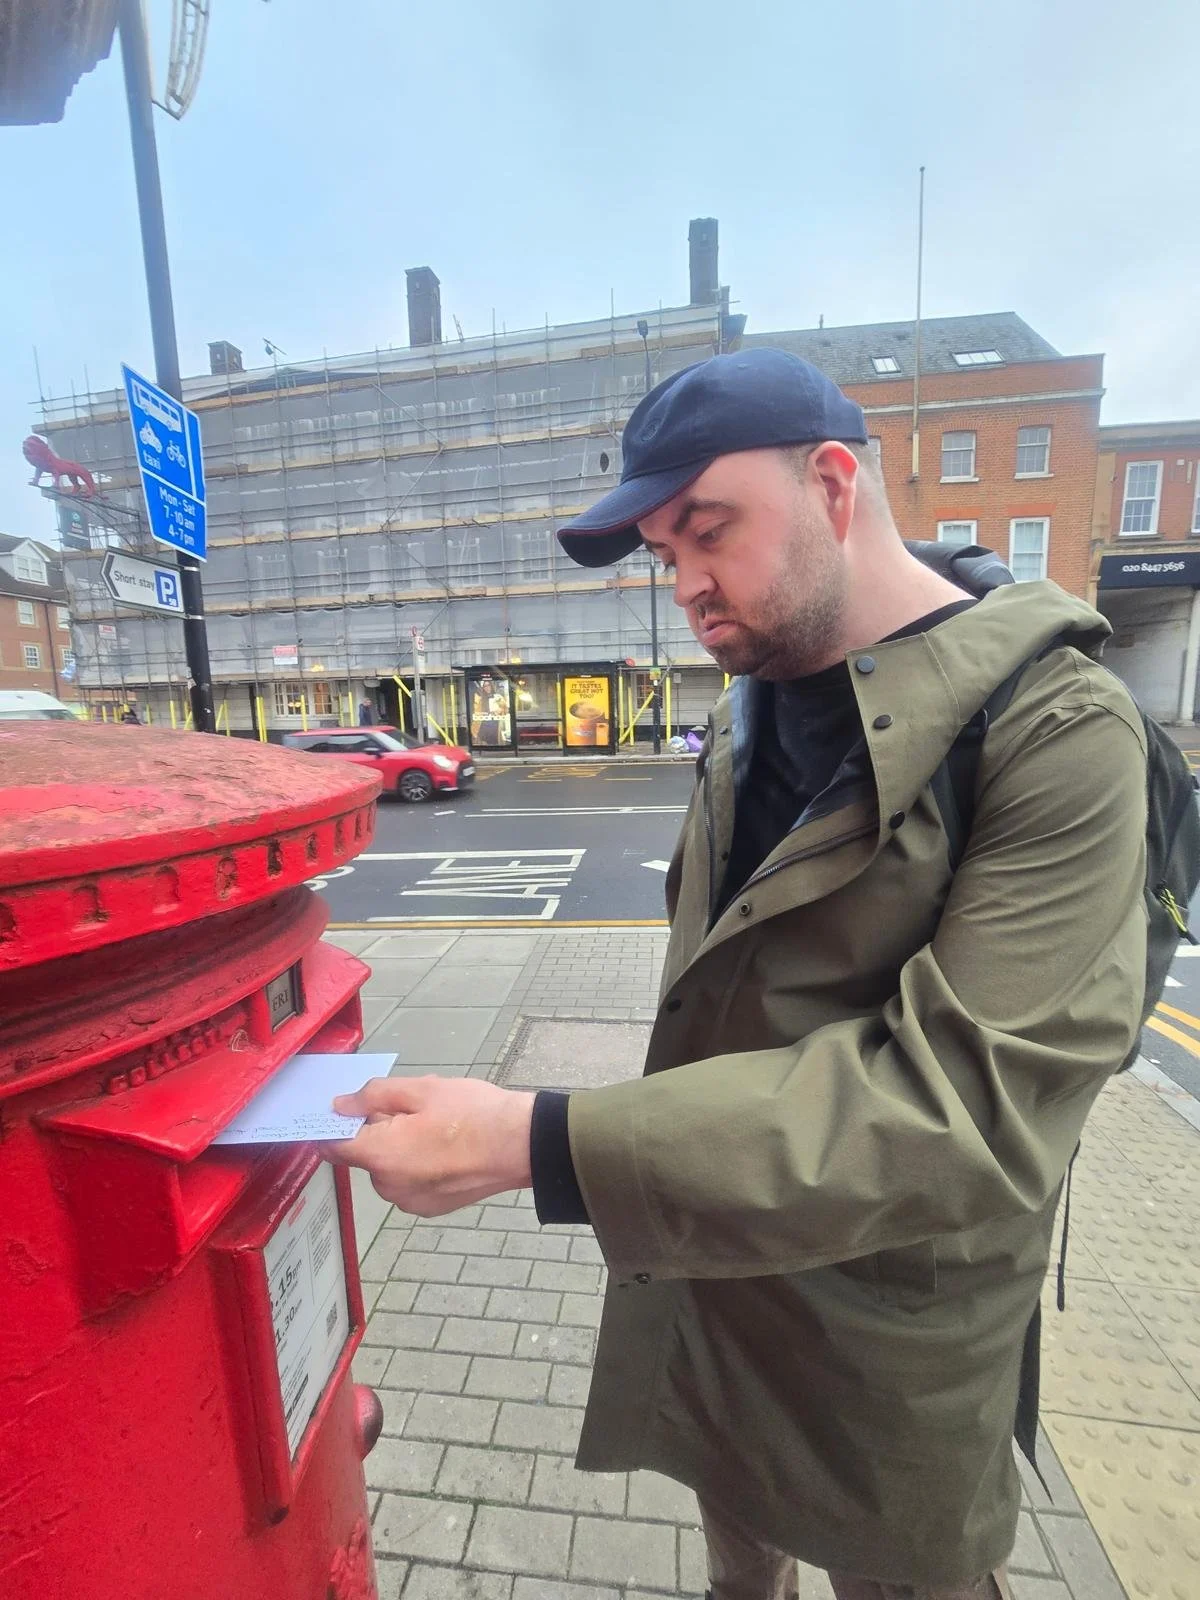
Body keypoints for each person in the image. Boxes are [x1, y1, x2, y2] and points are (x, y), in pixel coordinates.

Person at [325, 348, 1147, 1600]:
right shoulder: (752, 702)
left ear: (832, 484)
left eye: (707, 532)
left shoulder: (1060, 731)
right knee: (736, 1574)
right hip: (717, 1267)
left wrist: (537, 1141)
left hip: (897, 1328)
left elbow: (969, 1107)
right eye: (665, 554)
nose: (689, 588)